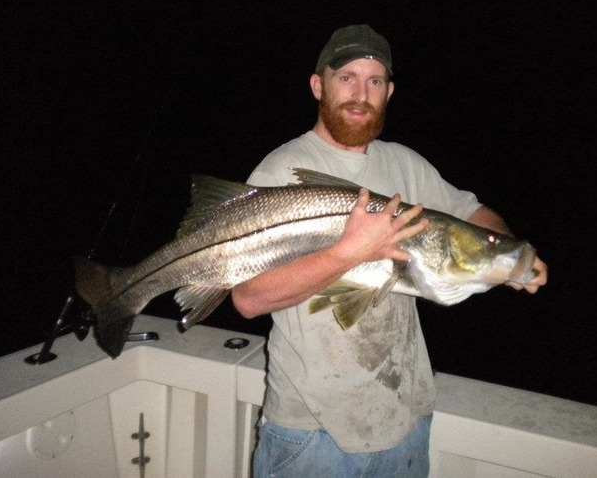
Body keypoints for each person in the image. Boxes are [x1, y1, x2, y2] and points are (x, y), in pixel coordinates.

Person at [232, 24, 548, 477]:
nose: (361, 93)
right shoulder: (282, 169)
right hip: (313, 432)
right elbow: (248, 298)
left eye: (374, 81)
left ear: (389, 92)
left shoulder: (404, 163)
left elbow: (472, 213)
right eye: (346, 78)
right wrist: (350, 253)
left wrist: (508, 253)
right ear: (318, 85)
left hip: (405, 419)